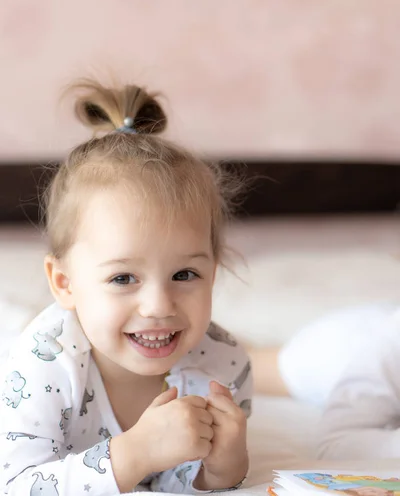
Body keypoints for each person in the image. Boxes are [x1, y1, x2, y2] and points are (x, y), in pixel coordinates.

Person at [0, 79, 252, 495]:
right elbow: (15, 484)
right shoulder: (46, 365)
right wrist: (134, 453)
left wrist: (223, 469)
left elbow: (178, 481)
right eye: (122, 278)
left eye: (185, 275)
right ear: (64, 283)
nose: (158, 305)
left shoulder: (223, 364)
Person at [247, 301, 400, 459]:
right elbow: (334, 444)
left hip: (375, 324)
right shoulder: (387, 351)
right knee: (241, 366)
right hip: (332, 347)